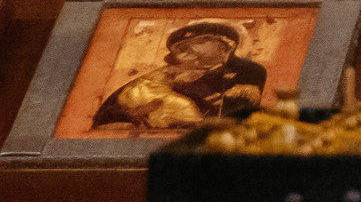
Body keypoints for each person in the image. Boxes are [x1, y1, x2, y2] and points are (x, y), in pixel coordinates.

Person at [94, 20, 267, 129]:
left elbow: (237, 119)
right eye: (180, 49)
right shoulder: (160, 76)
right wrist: (132, 113)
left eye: (198, 42)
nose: (186, 52)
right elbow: (107, 114)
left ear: (225, 45)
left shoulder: (247, 71)